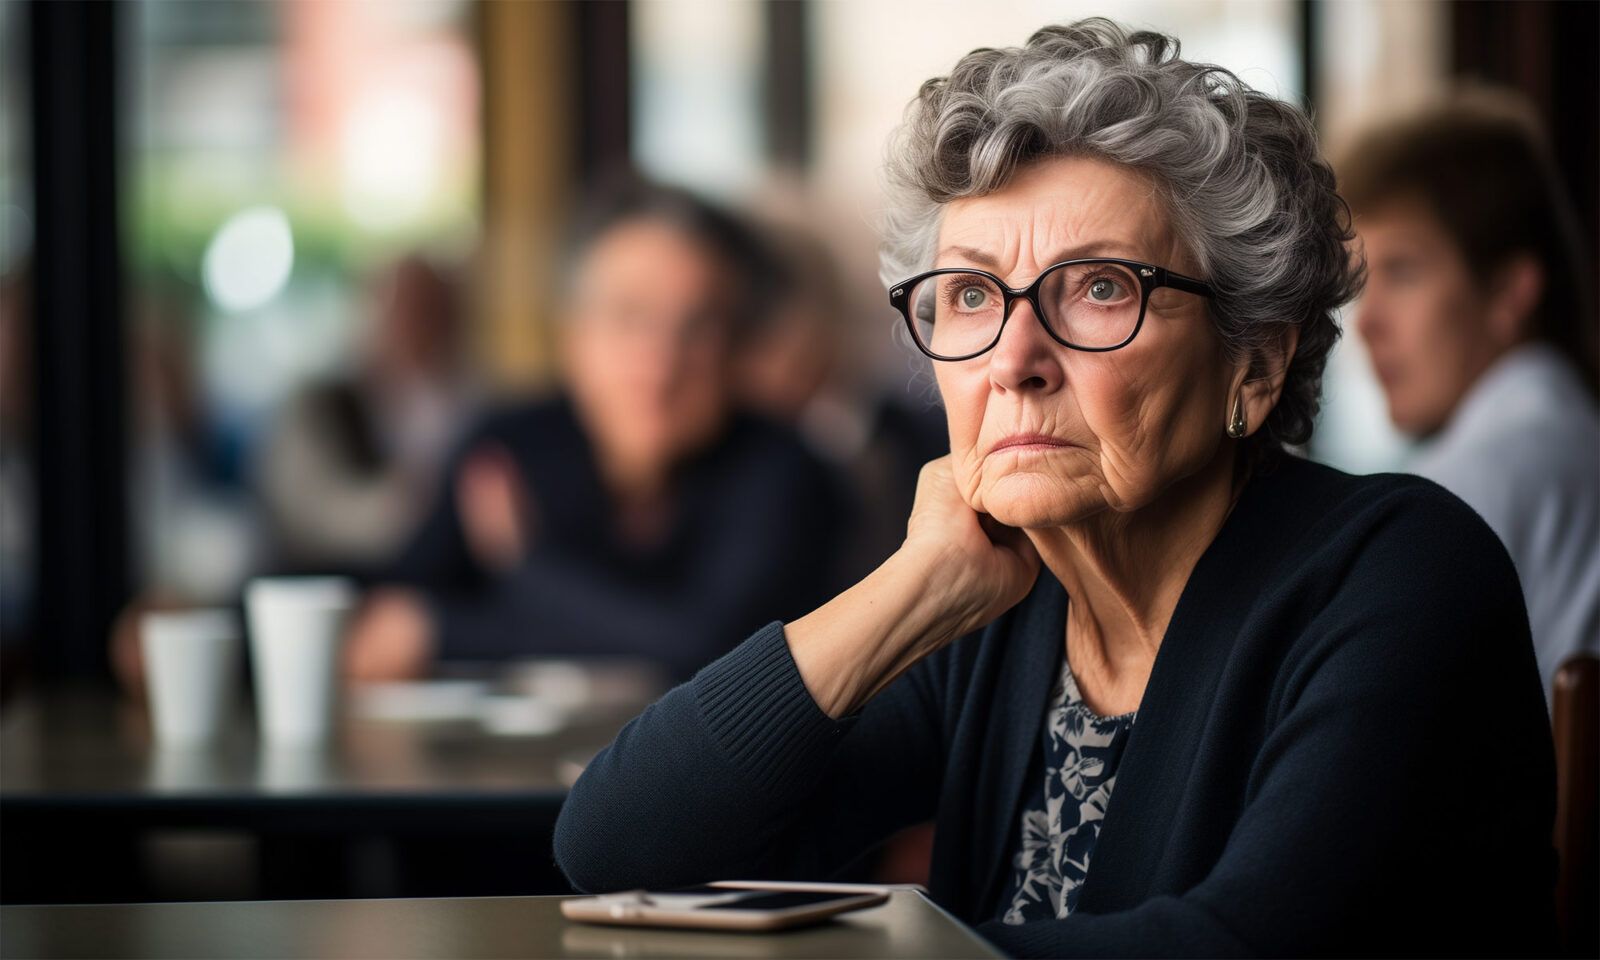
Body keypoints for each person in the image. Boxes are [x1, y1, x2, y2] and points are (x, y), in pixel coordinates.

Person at [553, 21, 1555, 956]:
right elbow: (619, 849)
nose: (1014, 360)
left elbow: (1240, 944)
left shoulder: (1399, 571)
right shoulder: (1003, 609)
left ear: (1252, 362)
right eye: (971, 296)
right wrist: (910, 588)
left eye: (1100, 287)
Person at [343, 182, 848, 684]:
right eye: (628, 317)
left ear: (736, 346)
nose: (660, 362)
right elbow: (388, 625)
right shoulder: (508, 450)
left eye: (697, 326)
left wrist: (520, 577)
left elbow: (713, 653)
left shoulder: (786, 470)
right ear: (572, 334)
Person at [1340, 92, 1600, 707]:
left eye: (1402, 272)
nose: (1366, 322)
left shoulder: (1463, 489)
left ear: (1510, 292)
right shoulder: (1571, 436)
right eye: (1361, 283)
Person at [256, 254, 481, 576]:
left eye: (431, 309)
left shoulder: (471, 404)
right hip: (337, 583)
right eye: (405, 308)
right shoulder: (320, 403)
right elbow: (302, 514)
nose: (417, 323)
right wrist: (406, 499)